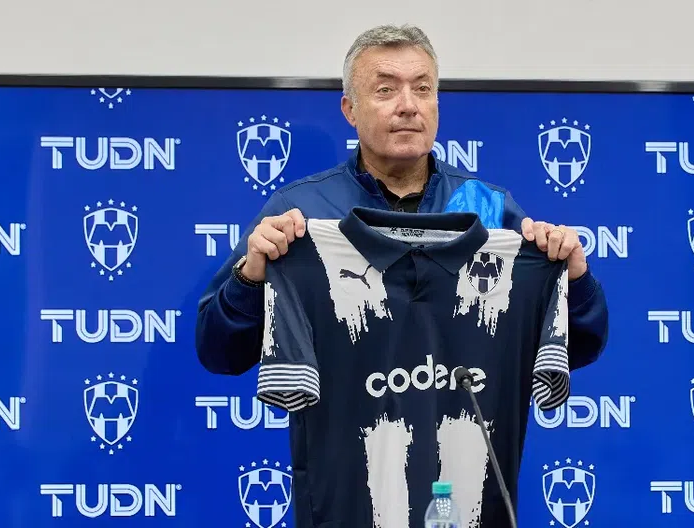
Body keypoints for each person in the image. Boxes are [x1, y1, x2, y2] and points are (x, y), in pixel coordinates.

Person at [195, 23, 609, 525]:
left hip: (466, 507)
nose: (408, 105)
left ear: (437, 104)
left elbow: (576, 346)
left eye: (423, 88)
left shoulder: (489, 211)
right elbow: (218, 351)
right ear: (350, 109)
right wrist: (250, 278)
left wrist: (573, 280)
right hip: (347, 503)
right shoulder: (298, 215)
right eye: (386, 89)